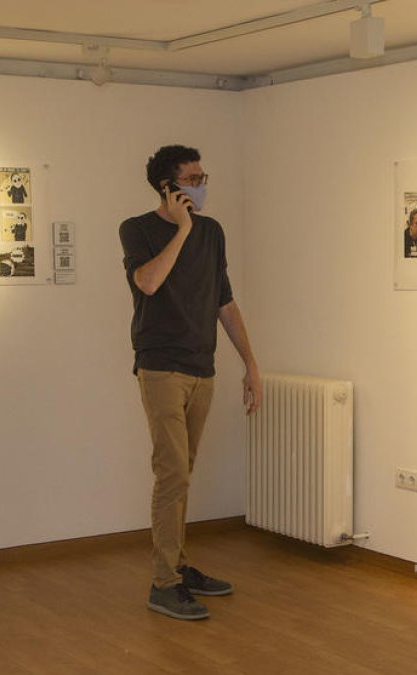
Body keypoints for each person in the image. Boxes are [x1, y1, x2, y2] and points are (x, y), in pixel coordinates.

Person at [119, 144, 262, 621]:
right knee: (172, 473)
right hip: (161, 366)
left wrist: (251, 364)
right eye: (192, 179)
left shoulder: (213, 232)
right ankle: (163, 584)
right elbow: (149, 283)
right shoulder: (137, 229)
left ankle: (178, 565)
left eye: (204, 177)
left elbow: (225, 301)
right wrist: (181, 229)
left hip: (204, 367)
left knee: (184, 473)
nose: (201, 186)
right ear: (169, 186)